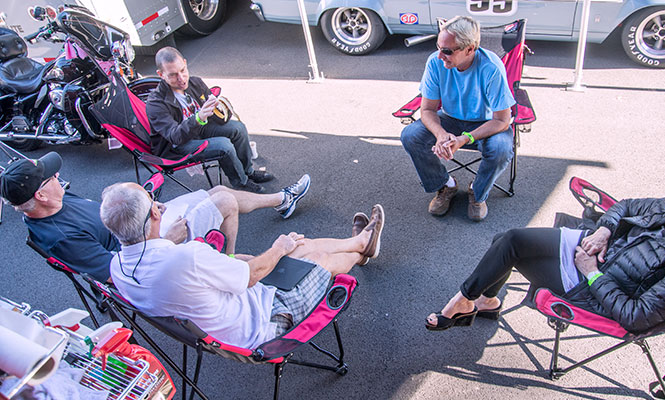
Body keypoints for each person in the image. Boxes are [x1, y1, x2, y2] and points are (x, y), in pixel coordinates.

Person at [425, 169, 665, 333]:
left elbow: (637, 316)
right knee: (507, 240)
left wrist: (592, 274)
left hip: (595, 289)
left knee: (509, 246)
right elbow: (626, 205)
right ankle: (482, 300)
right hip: (595, 248)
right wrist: (604, 231)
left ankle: (467, 301)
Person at [100, 181, 386, 349]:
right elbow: (249, 276)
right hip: (263, 324)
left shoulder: (118, 268)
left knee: (298, 248)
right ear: (154, 213)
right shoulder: (186, 256)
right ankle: (360, 249)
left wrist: (270, 255)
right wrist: (277, 248)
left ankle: (360, 244)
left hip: (217, 325)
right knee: (316, 260)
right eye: (155, 202)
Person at [0, 152, 311, 283]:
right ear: (39, 195)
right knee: (225, 200)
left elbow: (107, 212)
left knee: (216, 190)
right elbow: (119, 275)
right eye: (51, 176)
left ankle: (282, 200)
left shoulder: (58, 200)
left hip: (140, 226)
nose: (58, 176)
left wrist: (142, 204)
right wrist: (163, 238)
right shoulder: (60, 235)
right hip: (146, 248)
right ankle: (230, 261)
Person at [400, 16, 516, 221]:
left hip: (486, 123)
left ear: (470, 49)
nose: (439, 55)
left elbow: (502, 120)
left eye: (447, 51)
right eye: (438, 47)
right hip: (450, 118)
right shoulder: (435, 63)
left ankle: (478, 193)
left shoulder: (491, 68)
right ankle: (445, 185)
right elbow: (427, 109)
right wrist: (441, 134)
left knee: (500, 148)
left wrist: (465, 138)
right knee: (411, 135)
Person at [146, 46, 272, 193]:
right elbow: (175, 137)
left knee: (238, 128)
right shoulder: (155, 103)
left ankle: (248, 172)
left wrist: (220, 109)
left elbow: (219, 120)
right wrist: (199, 118)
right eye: (173, 75)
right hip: (176, 146)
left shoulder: (195, 83)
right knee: (223, 145)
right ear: (161, 74)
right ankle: (241, 183)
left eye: (183, 70)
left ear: (185, 63)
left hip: (199, 129)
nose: (181, 79)